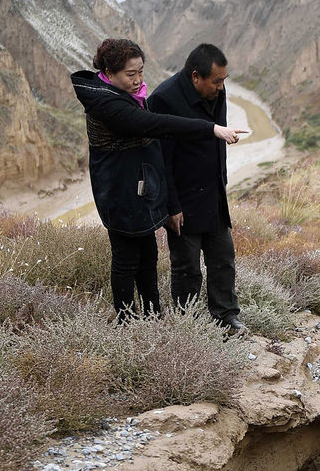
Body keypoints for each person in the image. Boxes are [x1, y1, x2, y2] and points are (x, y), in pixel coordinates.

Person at [71, 39, 243, 320]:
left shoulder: (130, 96)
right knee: (127, 260)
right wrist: (211, 129)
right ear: (109, 73)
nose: (139, 80)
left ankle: (153, 317)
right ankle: (127, 321)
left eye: (141, 72)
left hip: (141, 190)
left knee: (148, 257)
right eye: (131, 74)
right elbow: (157, 125)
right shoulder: (108, 104)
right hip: (119, 193)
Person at [148, 43, 250, 333]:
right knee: (187, 267)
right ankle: (189, 326)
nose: (221, 87)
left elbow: (216, 137)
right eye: (216, 81)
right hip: (183, 198)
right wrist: (171, 206)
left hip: (213, 192)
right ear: (196, 76)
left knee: (223, 258)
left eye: (224, 81)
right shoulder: (164, 99)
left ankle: (226, 317)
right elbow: (161, 160)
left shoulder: (216, 91)